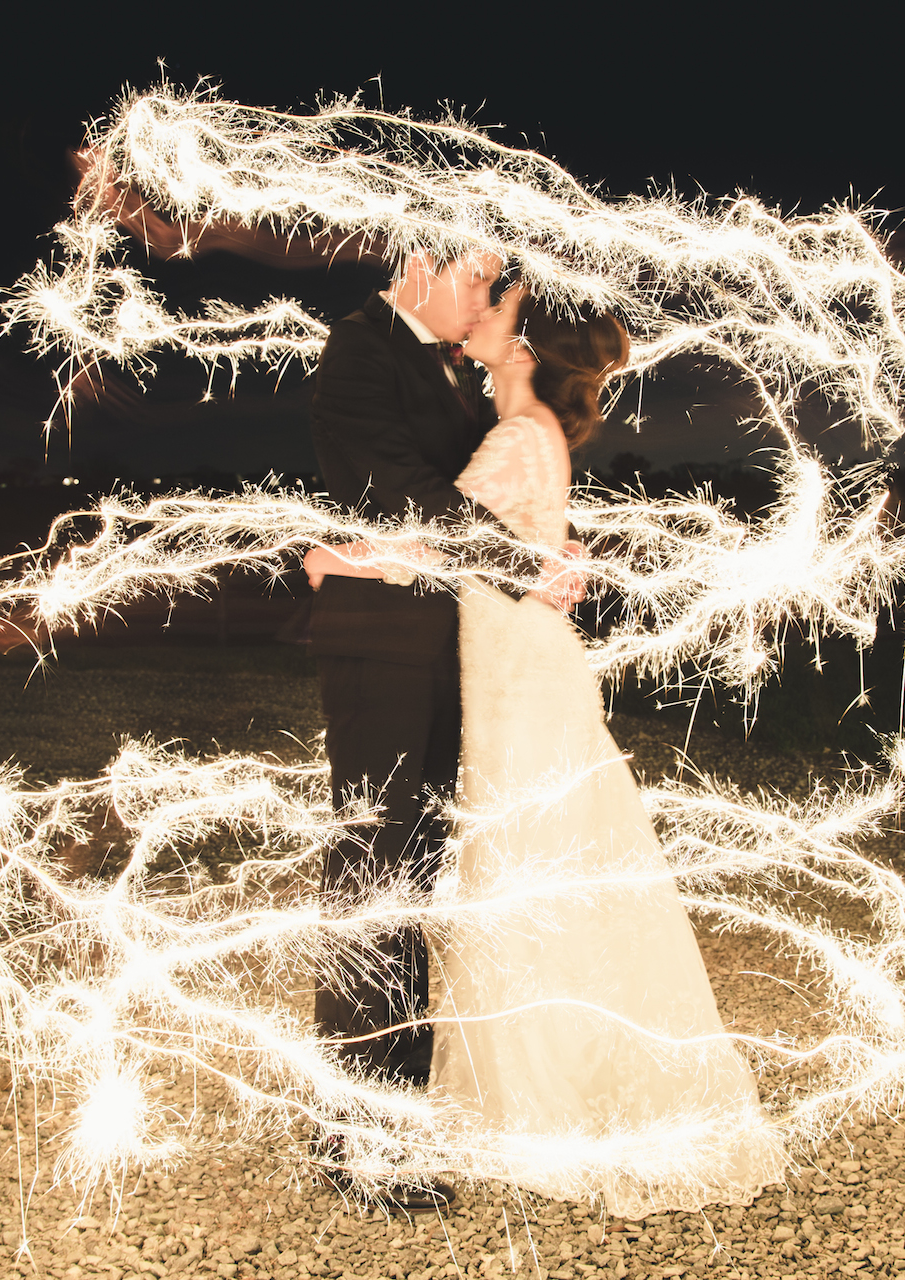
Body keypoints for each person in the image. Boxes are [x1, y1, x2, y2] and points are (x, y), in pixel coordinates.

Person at [307, 283, 787, 1215]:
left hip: (513, 673)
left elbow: (447, 542)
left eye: (504, 301)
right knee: (517, 866)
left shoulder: (519, 435)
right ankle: (521, 1098)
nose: (486, 302)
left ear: (522, 344)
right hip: (504, 664)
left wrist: (336, 560)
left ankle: (549, 1103)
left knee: (523, 865)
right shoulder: (516, 427)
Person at [305, 253, 585, 1209]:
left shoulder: (454, 368)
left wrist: (549, 544)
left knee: (417, 880)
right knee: (373, 880)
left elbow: (470, 494)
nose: (484, 300)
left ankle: (404, 1111)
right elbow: (406, 491)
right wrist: (524, 560)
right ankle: (360, 1146)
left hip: (455, 652)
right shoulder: (359, 349)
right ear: (417, 263)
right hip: (384, 653)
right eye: (476, 278)